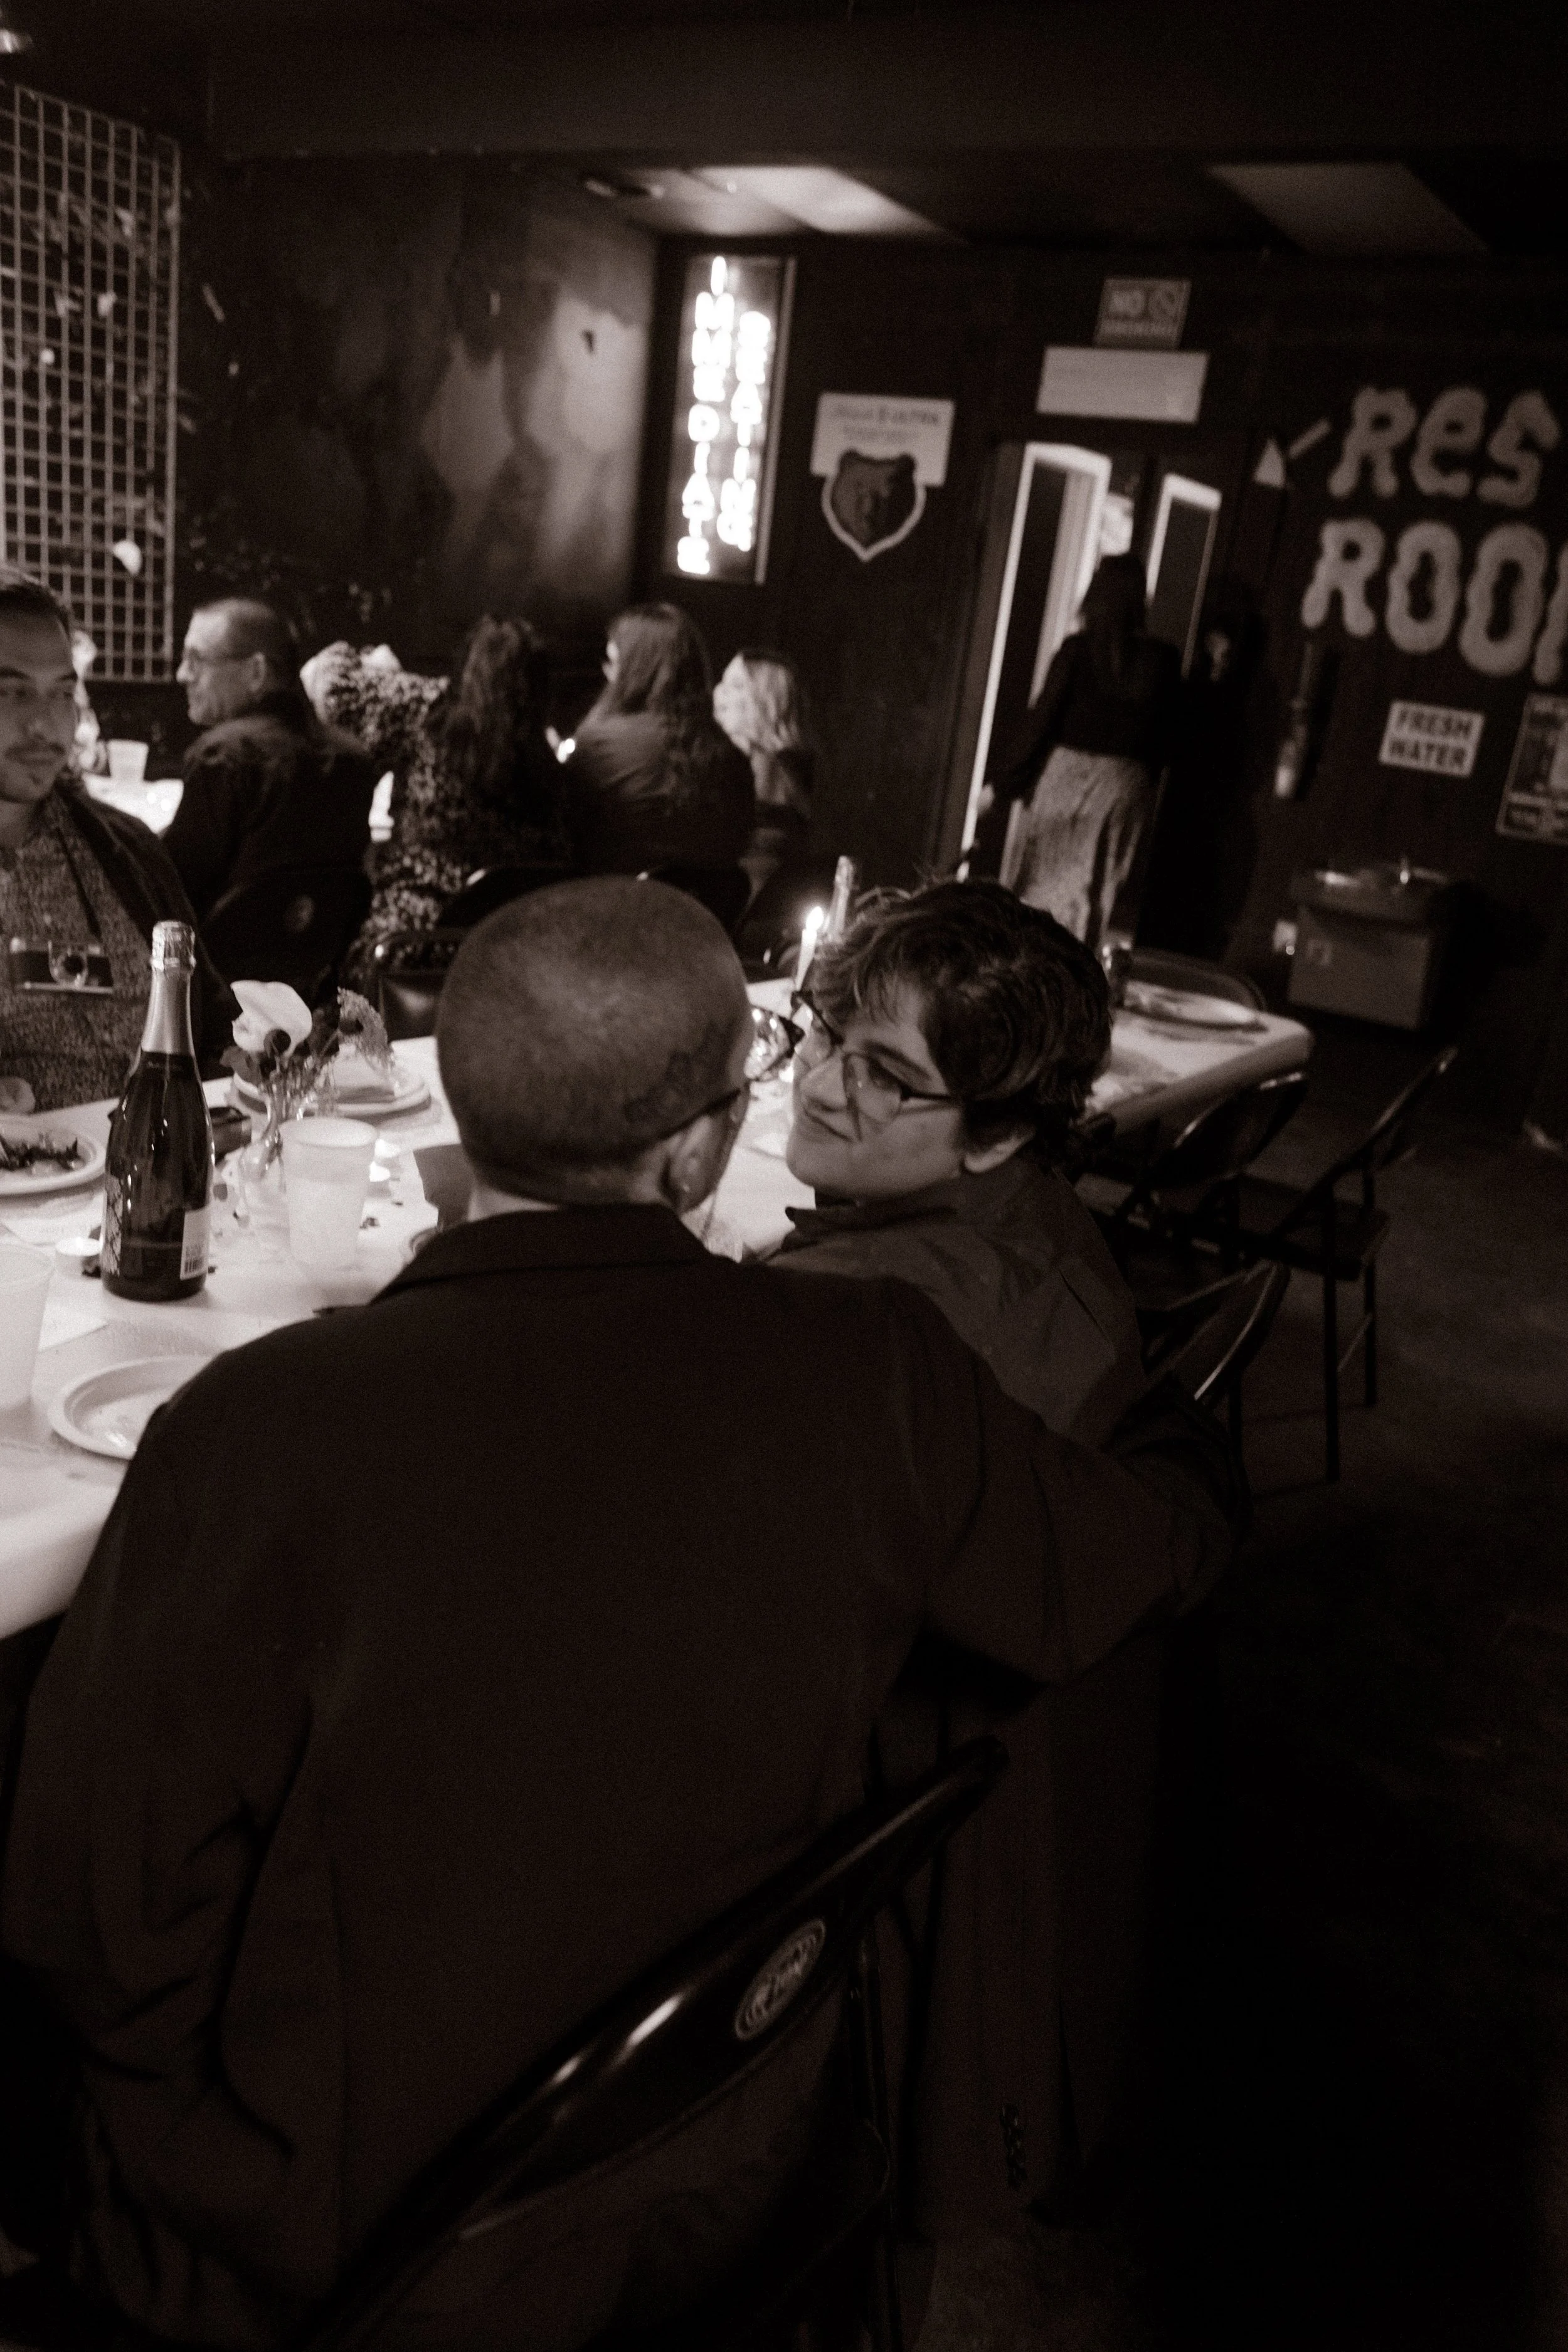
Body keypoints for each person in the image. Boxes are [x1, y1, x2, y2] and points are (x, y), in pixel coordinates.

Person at [0, 877, 1237, 2352]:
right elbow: (1136, 1555)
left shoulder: (254, 1430)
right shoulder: (885, 1366)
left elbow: (83, 1917)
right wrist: (1179, 1433)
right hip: (736, 2144)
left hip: (348, 2238)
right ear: (713, 1137)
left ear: (444, 1104)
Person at [772, 880, 1187, 2235]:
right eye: (824, 1033)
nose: (824, 1086)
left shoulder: (862, 1327)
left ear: (998, 1134)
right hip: (992, 1803)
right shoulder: (1043, 1233)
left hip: (855, 1835)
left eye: (886, 1077)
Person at [0, 569, 231, 1113]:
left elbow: (214, 1018)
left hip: (160, 1163)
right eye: (11, 692)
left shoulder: (124, 849)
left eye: (62, 692)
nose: (45, 723)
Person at [304, 618, 566, 993]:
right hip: (510, 953)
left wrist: (370, 662)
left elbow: (328, 686)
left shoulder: (427, 709)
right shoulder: (549, 767)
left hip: (409, 945)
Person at [985, 553, 1182, 953]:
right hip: (1123, 788)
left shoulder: (1077, 652)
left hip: (1065, 780)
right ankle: (1077, 974)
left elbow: (1042, 719)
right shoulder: (1162, 661)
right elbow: (1167, 740)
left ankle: (1021, 967)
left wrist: (1003, 786)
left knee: (1037, 888)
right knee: (1094, 893)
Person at [164, 598, 378, 923]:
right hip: (315, 966)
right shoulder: (354, 759)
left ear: (256, 672)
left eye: (197, 660)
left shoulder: (222, 757)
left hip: (217, 963)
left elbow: (175, 891)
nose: (182, 675)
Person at [559, 602, 755, 877]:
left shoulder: (601, 744)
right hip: (704, 917)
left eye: (615, 663)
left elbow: (567, 839)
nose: (609, 675)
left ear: (637, 669)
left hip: (611, 911)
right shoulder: (734, 761)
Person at [711, 646, 816, 899]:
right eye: (722, 682)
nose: (718, 693)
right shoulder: (782, 765)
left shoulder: (766, 768)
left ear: (766, 701)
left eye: (736, 686)